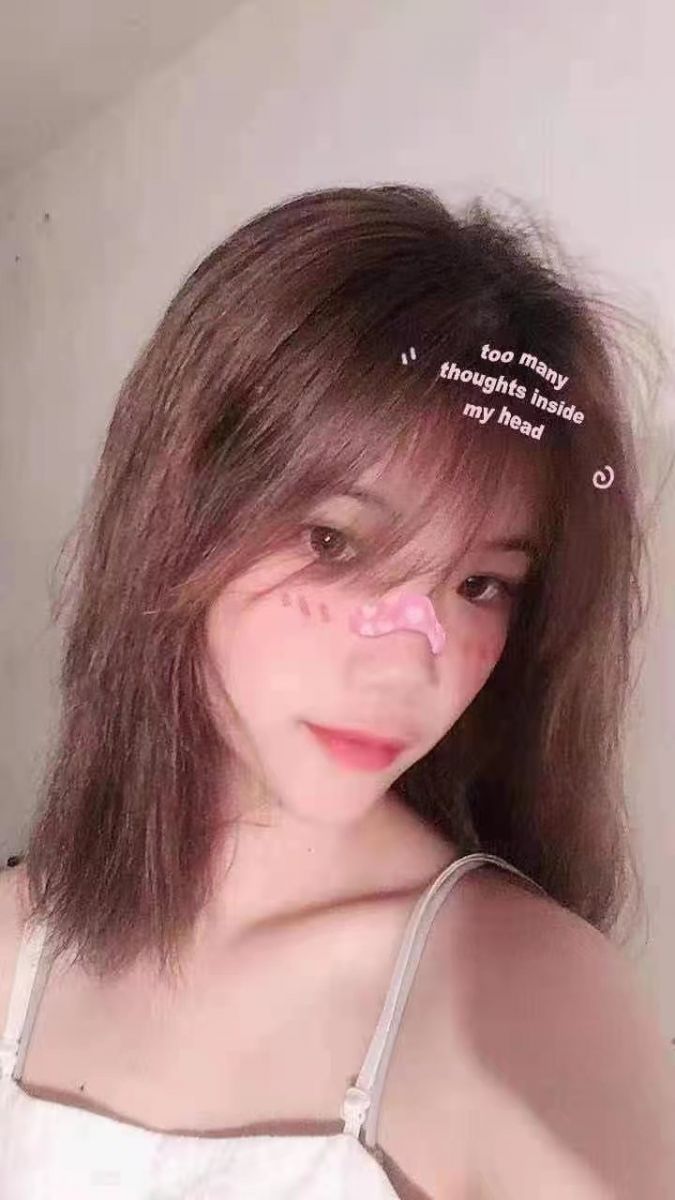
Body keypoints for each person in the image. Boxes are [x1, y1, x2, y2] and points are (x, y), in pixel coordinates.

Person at [0, 184, 673, 1198]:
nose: (409, 663)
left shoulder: (521, 1003)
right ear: (173, 514)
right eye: (333, 541)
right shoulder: (19, 937)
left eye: (480, 585)